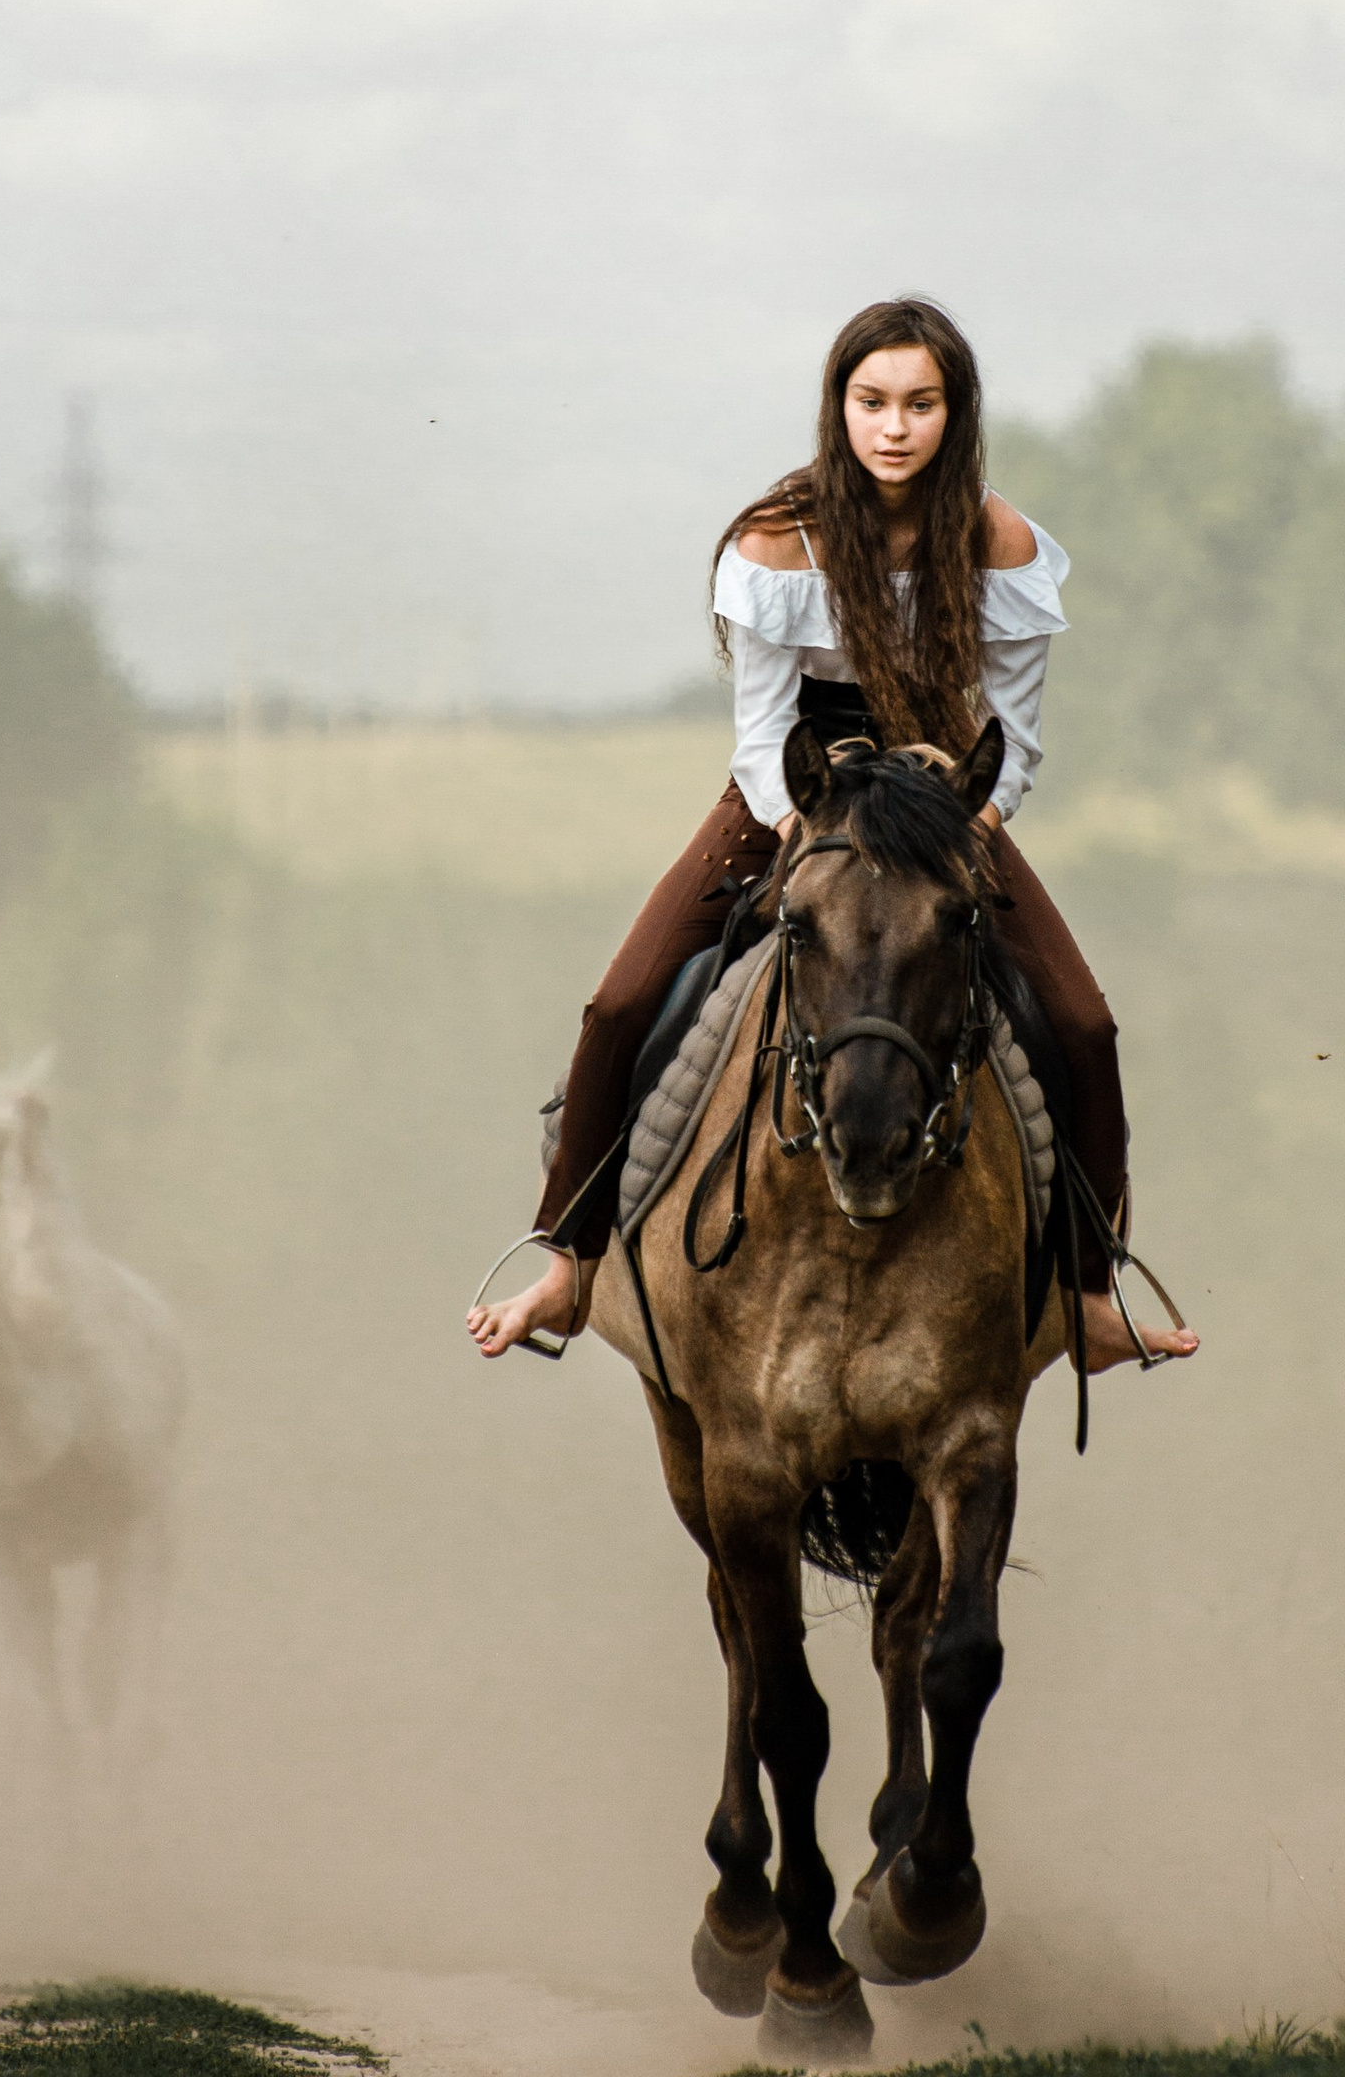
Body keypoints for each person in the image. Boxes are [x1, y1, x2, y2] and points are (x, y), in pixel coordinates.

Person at [468, 295, 1198, 1377]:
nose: (894, 426)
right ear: (839, 409)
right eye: (871, 402)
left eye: (918, 402)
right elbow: (764, 739)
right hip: (793, 799)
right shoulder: (778, 540)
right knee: (622, 1002)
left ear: (955, 413)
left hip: (942, 804)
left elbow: (1017, 743)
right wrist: (820, 835)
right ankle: (568, 1266)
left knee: (1084, 1026)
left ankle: (1088, 1294)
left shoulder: (1002, 544)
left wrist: (952, 831)